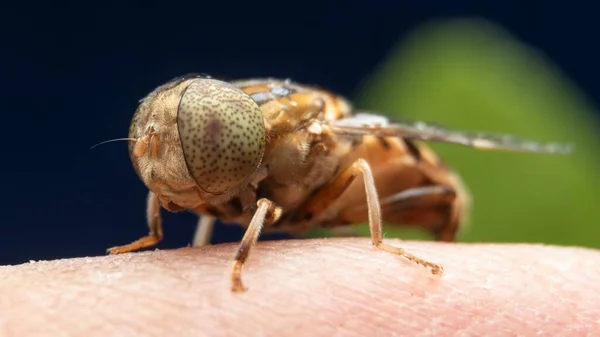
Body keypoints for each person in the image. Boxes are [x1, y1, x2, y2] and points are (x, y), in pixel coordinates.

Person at [3, 238, 598, 335]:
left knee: (365, 161)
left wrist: (237, 265)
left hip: (365, 178)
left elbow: (359, 166)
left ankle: (382, 242)